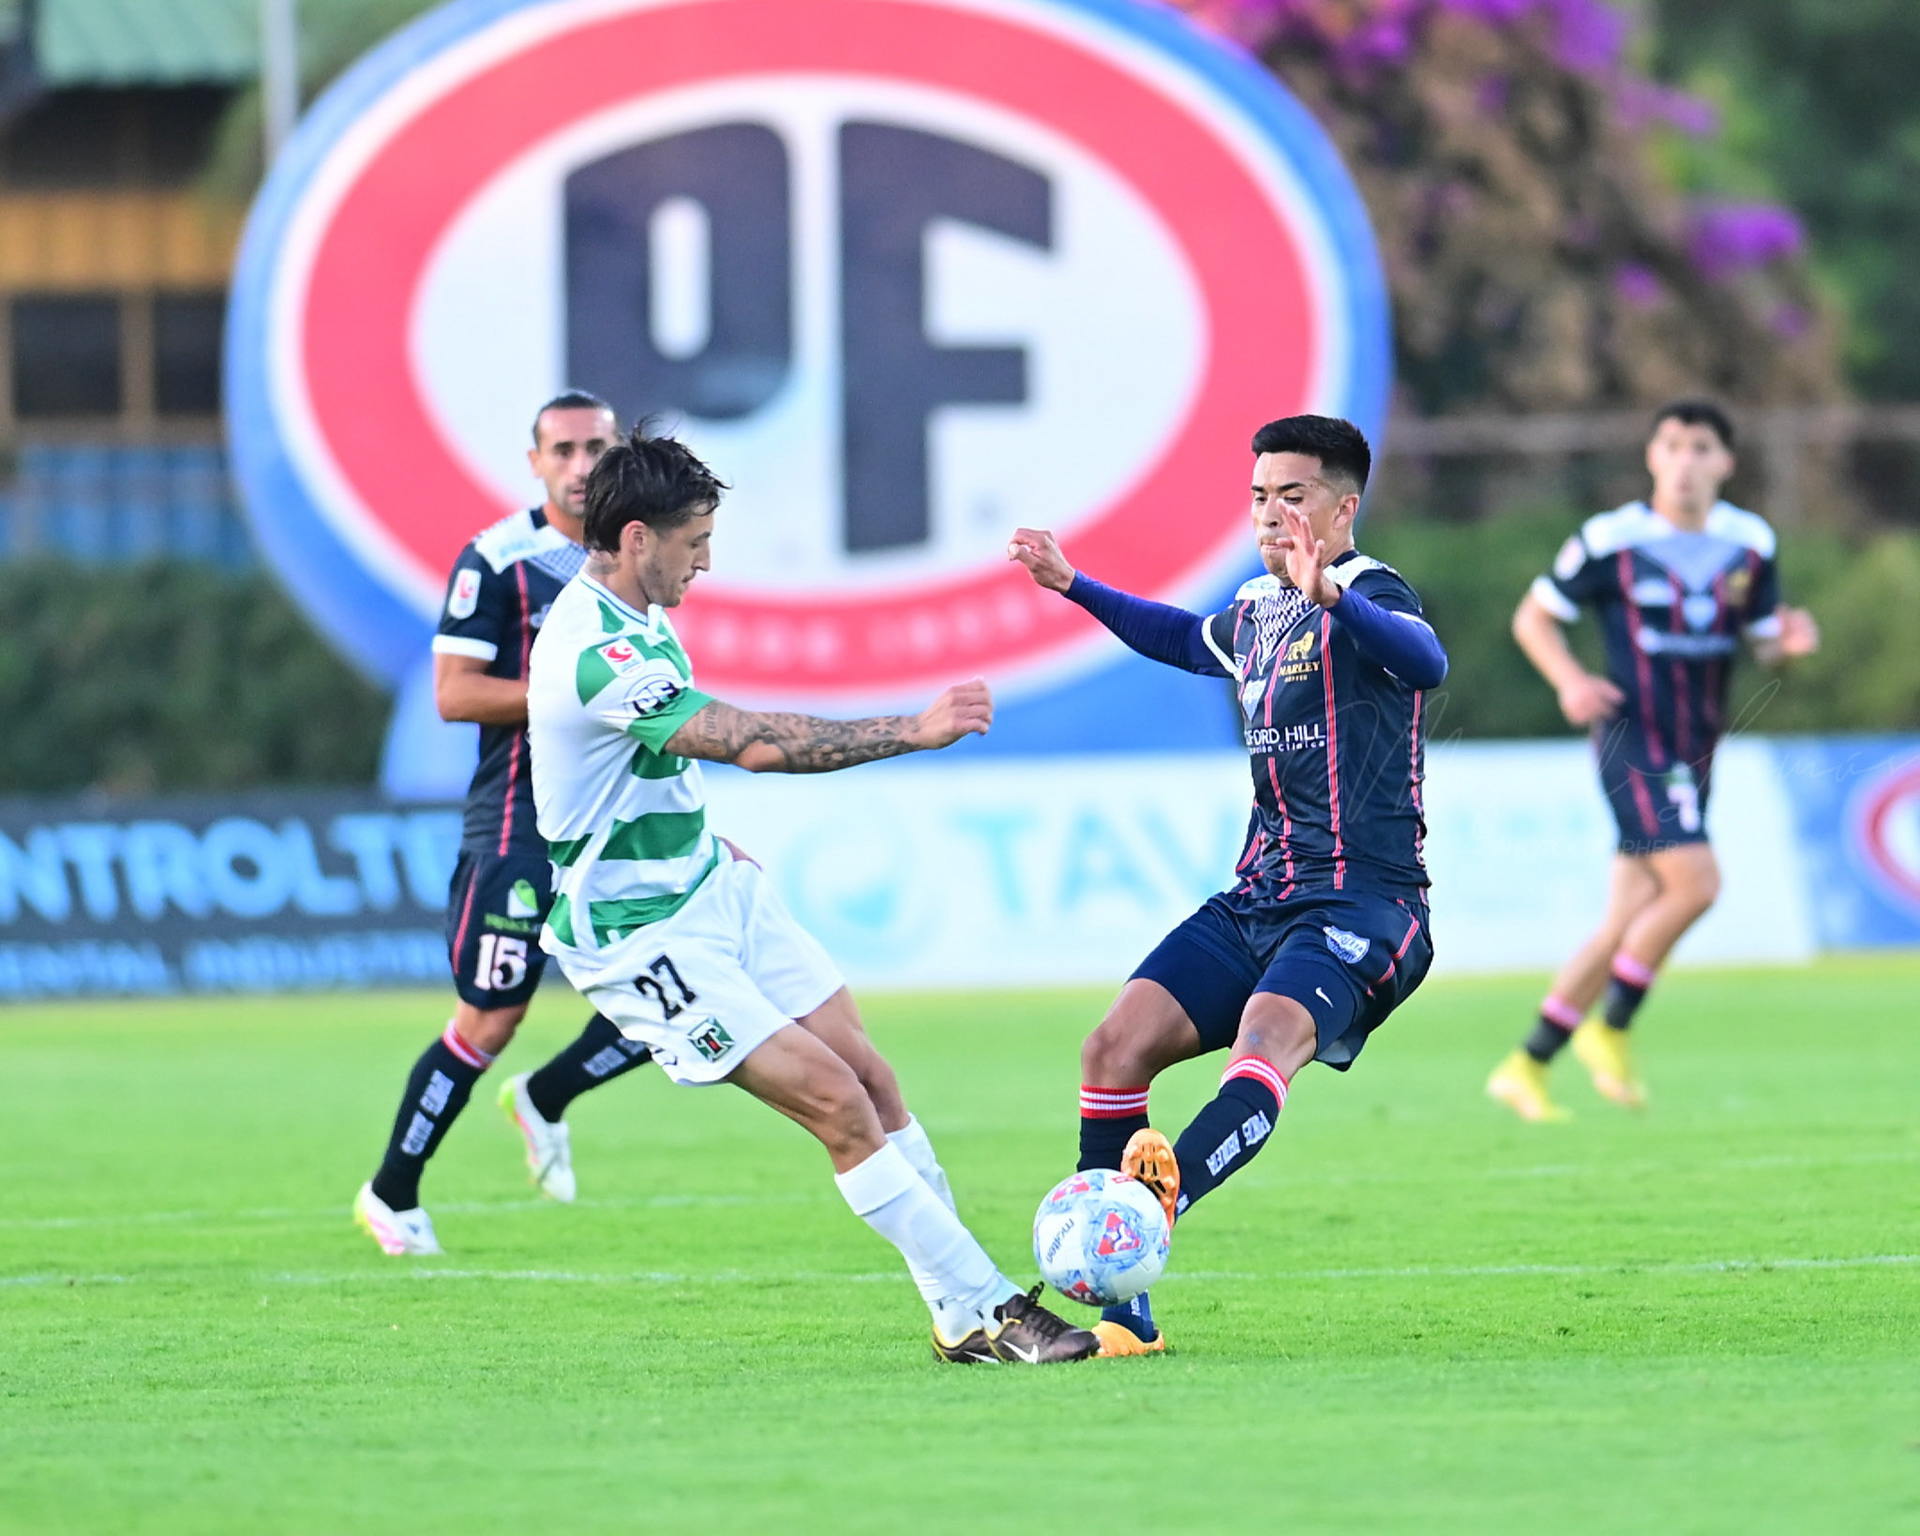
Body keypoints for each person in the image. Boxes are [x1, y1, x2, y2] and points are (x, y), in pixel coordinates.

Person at [524, 421, 1098, 1365]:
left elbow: (646, 768)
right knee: (835, 1102)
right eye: (694, 544)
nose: (704, 565)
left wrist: (698, 839)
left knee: (872, 1077)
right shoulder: (597, 650)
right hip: (640, 937)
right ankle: (995, 1308)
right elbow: (750, 741)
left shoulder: (635, 610)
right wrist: (909, 730)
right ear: (635, 539)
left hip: (710, 885)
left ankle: (957, 1318)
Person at [1008, 414, 1447, 1356]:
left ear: (1343, 507)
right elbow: (1179, 635)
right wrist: (1074, 584)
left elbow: (1427, 662)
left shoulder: (1368, 592)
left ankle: (1163, 1198)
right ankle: (1124, 1312)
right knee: (1112, 1048)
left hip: (1365, 903)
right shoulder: (1255, 608)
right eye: (1259, 496)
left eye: (1293, 495)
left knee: (1266, 1039)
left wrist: (1331, 594)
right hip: (1258, 894)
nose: (1271, 513)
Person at [353, 392, 657, 1256]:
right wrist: (568, 700)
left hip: (617, 822)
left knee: (672, 993)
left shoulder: (638, 554)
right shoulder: (498, 559)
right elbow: (454, 694)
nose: (582, 464)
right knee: (490, 1019)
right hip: (521, 823)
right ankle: (392, 1193)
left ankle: (548, 1096)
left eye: (597, 446)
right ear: (534, 461)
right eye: (563, 449)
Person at [1486, 401, 1818, 1122]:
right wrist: (1571, 681)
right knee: (1697, 884)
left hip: (1697, 745)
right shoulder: (1612, 539)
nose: (1686, 461)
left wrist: (1786, 647)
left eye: (1702, 448)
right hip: (1631, 739)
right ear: (1652, 457)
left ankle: (1527, 1063)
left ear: (1725, 463)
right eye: (1673, 445)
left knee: (1627, 916)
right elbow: (1533, 616)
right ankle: (1612, 1027)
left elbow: (1763, 644)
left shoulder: (1750, 543)